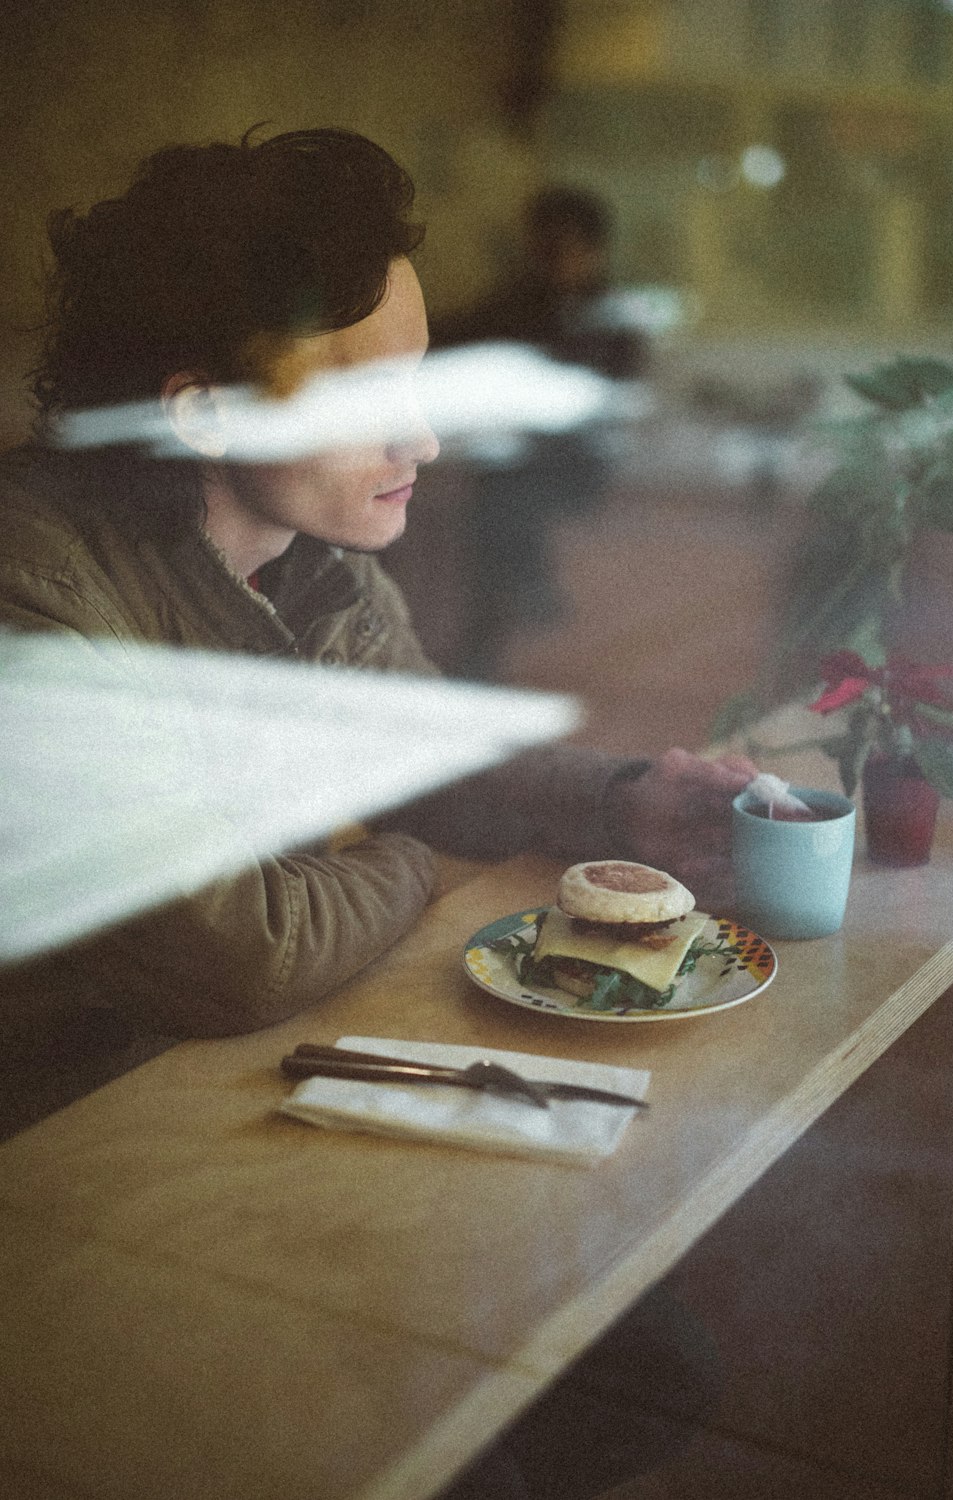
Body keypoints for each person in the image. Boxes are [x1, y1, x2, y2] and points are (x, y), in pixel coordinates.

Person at [0, 129, 748, 1492]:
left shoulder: (321, 553)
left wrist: (625, 800)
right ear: (207, 413)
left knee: (650, 1371)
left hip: (222, 1083)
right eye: (375, 392)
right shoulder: (35, 594)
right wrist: (414, 869)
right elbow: (245, 950)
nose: (426, 434)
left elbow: (421, 762)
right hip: (58, 1139)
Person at [433, 185, 649, 678]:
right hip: (514, 460)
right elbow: (456, 336)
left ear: (594, 250)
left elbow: (610, 397)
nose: (553, 259)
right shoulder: (520, 302)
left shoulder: (612, 316)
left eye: (566, 247)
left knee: (503, 508)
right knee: (494, 506)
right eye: (544, 246)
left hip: (573, 463)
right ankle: (502, 628)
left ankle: (510, 619)